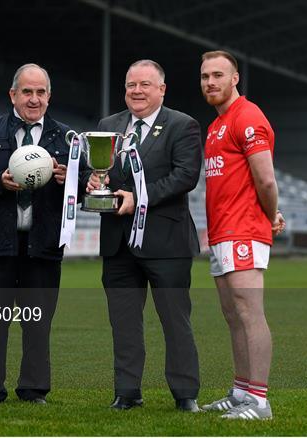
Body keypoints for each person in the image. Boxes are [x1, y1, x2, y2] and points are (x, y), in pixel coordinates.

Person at [0, 63, 83, 404]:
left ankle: (33, 389)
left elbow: (88, 186)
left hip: (42, 246)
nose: (34, 99)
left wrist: (69, 180)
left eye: (40, 92)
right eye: (27, 92)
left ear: (49, 97)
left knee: (38, 324)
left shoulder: (66, 137)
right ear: (13, 95)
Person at [88, 60, 202, 411]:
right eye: (130, 85)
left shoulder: (183, 125)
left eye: (145, 85)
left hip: (166, 242)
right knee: (123, 324)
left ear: (162, 89)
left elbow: (185, 176)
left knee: (175, 321)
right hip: (118, 243)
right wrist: (93, 182)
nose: (136, 91)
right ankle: (127, 392)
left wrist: (139, 199)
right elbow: (94, 173)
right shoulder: (109, 126)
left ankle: (185, 395)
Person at [199, 50, 285, 420]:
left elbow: (265, 178)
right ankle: (241, 392)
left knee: (250, 313)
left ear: (235, 79)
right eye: (204, 76)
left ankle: (260, 402)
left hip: (244, 231)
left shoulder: (248, 116)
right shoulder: (217, 124)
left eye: (218, 75)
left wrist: (269, 216)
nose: (210, 82)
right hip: (222, 233)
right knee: (233, 314)